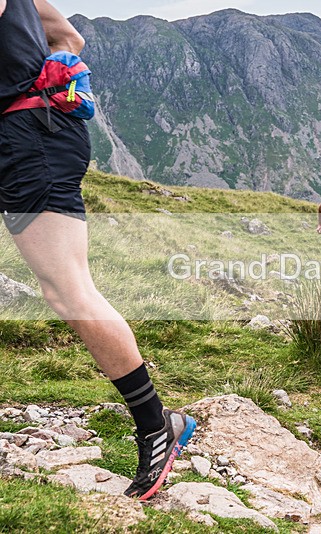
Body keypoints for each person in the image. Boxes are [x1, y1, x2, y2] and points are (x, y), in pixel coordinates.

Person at [0, 0, 195, 500]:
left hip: (30, 141)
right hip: (34, 133)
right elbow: (71, 38)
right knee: (68, 291)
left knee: (70, 293)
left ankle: (156, 424)